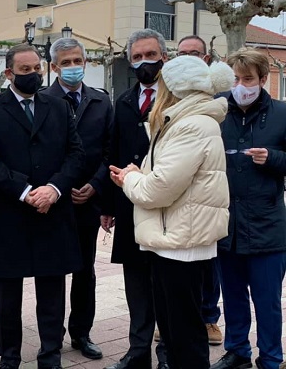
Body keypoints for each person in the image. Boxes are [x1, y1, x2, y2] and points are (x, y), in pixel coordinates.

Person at [109, 55, 233, 368]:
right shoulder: (187, 122)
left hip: (182, 242)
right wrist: (142, 173)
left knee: (183, 334)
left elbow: (157, 190)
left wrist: (130, 179)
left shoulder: (190, 126)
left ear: (175, 88)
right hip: (178, 238)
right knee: (176, 329)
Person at [0, 43, 85, 369]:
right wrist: (24, 191)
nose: (34, 75)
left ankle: (51, 356)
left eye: (37, 68)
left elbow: (75, 154)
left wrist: (53, 189)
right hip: (9, 215)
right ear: (8, 74)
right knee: (7, 298)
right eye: (25, 70)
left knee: (52, 294)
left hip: (53, 213)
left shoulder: (59, 106)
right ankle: (10, 358)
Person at [210, 48, 286, 369]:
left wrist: (273, 158)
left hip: (267, 225)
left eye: (249, 78)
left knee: (267, 301)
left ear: (263, 79)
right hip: (227, 223)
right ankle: (237, 351)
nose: (242, 85)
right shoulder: (218, 110)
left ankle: (270, 358)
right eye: (237, 78)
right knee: (233, 295)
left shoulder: (282, 113)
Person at [40, 37, 114, 360]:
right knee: (53, 273)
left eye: (77, 61)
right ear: (54, 67)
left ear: (86, 63)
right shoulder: (42, 100)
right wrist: (59, 186)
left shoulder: (101, 101)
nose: (73, 67)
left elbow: (110, 149)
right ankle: (51, 338)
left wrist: (96, 186)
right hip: (55, 201)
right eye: (65, 63)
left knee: (85, 272)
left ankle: (81, 333)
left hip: (89, 200)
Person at [101, 28, 168, 369]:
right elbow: (113, 150)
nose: (144, 62)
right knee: (136, 284)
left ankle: (167, 352)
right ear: (129, 61)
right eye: (138, 56)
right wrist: (108, 207)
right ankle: (137, 350)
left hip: (168, 207)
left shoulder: (177, 97)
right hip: (129, 205)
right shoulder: (124, 101)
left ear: (164, 57)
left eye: (150, 55)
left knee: (166, 284)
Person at [174, 35, 223, 346]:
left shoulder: (220, 99)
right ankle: (171, 319)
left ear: (206, 59)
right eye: (182, 54)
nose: (188, 58)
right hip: (174, 195)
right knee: (175, 265)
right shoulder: (171, 95)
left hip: (207, 194)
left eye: (194, 53)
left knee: (208, 263)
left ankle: (208, 318)